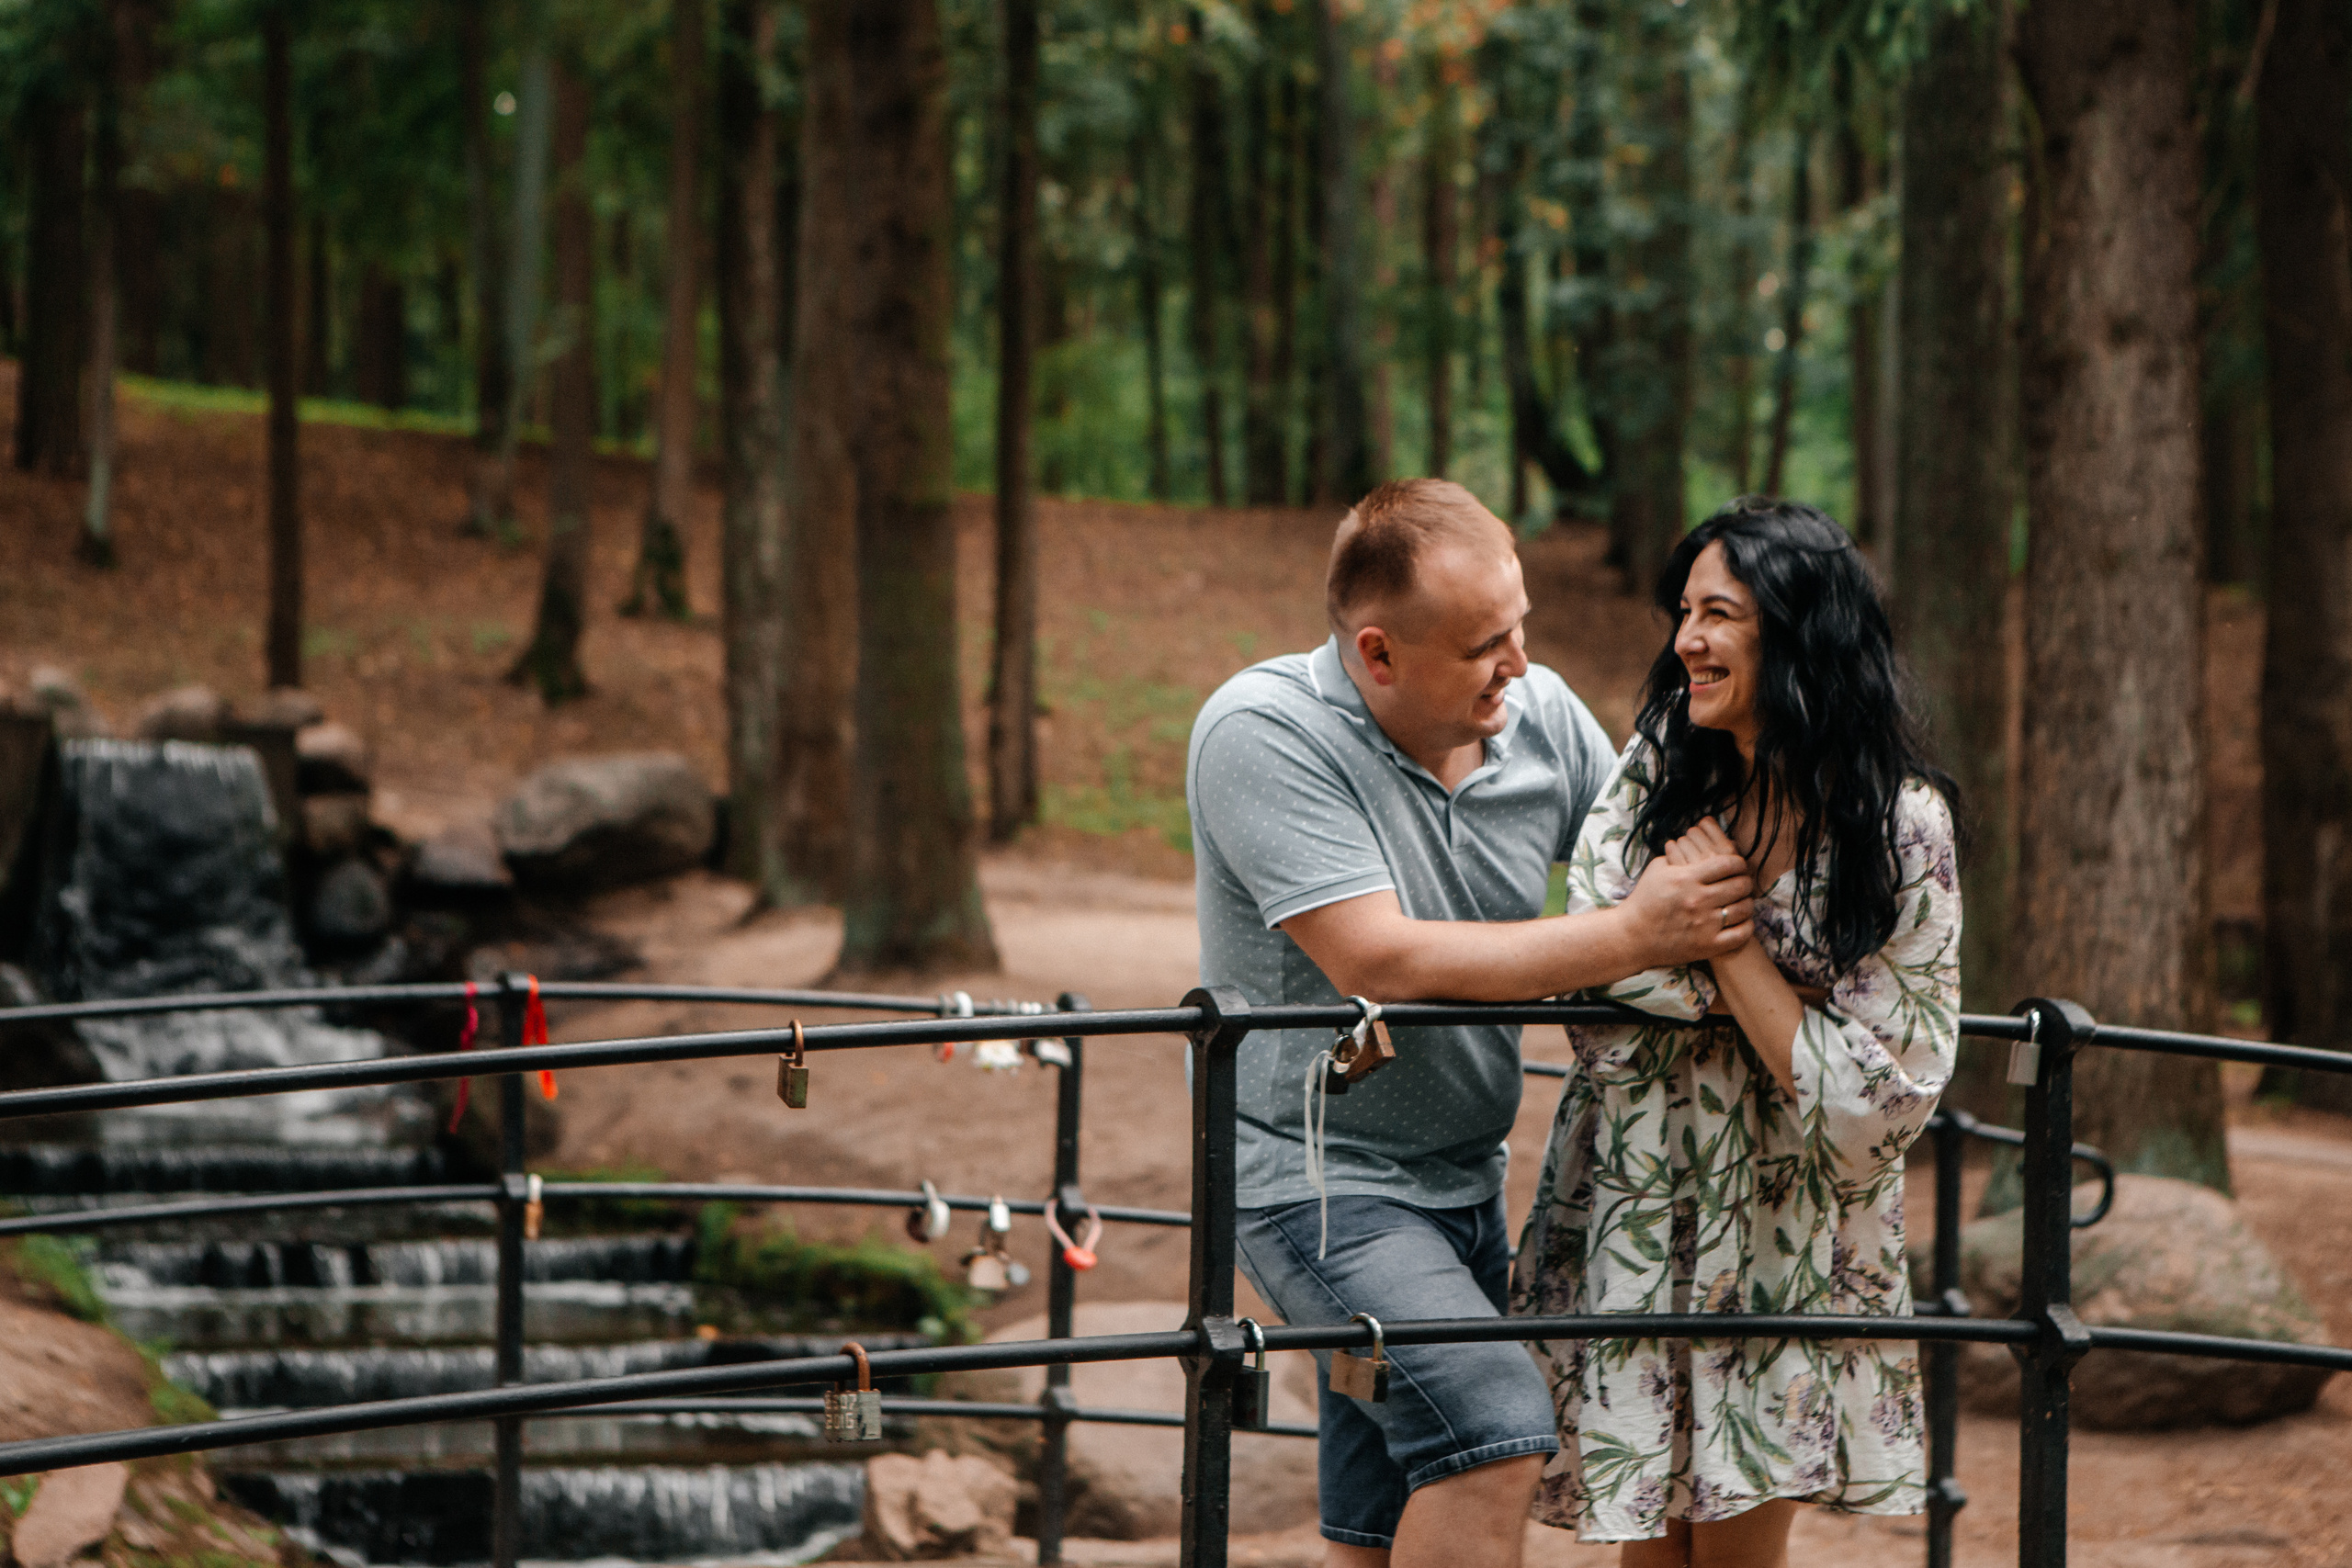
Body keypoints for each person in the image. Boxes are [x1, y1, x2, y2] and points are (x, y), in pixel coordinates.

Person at [1184, 479, 1761, 1568]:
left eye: (1519, 626)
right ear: (1377, 654)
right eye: (1482, 644)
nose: (1518, 662)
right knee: (1495, 1433)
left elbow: (1655, 840)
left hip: (1463, 1181)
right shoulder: (1262, 732)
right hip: (1314, 1182)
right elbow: (1380, 959)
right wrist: (1634, 938)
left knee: (1378, 1518)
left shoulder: (1535, 715)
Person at [1511, 497, 1962, 1568]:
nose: (1685, 642)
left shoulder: (1902, 826)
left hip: (1784, 1232)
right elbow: (1597, 966)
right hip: (1636, 1196)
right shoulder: (1666, 757)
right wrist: (1781, 1016)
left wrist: (1723, 949)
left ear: (1798, 632)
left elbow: (1886, 1094)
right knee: (1649, 1549)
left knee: (1733, 1556)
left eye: (1719, 614)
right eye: (1682, 611)